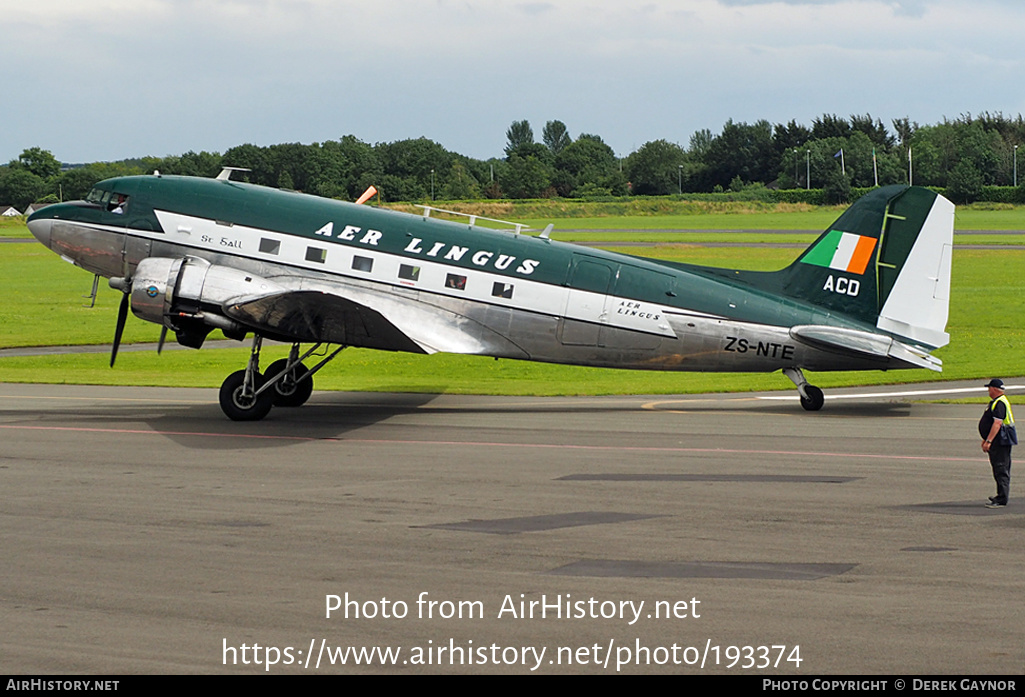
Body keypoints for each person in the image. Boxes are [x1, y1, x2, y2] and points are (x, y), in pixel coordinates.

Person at [979, 379, 1015, 508]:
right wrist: (985, 437)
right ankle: (1000, 495)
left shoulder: (999, 403)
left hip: (1001, 441)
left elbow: (997, 423)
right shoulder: (997, 402)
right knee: (999, 468)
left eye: (989, 388)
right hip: (998, 440)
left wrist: (989, 440)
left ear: (994, 389)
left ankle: (1002, 498)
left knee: (1001, 468)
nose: (988, 390)